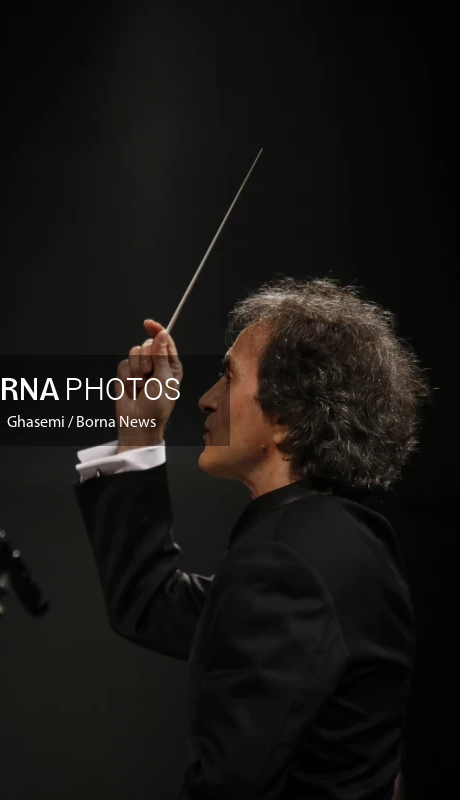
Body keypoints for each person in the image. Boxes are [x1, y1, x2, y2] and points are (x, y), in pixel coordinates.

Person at [74, 277, 430, 799]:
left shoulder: (285, 563)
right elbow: (150, 603)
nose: (204, 400)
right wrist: (140, 434)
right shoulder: (343, 540)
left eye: (227, 376)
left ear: (286, 417)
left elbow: (229, 787)